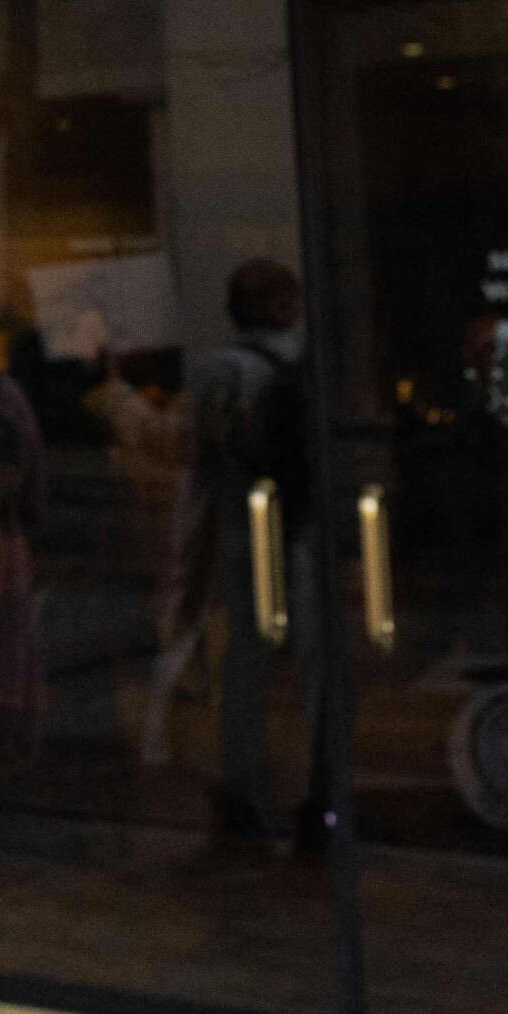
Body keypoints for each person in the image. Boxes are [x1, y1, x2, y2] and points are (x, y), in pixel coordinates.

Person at [183, 258, 326, 840]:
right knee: (315, 668)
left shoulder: (214, 371)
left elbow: (202, 458)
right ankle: (317, 788)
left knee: (246, 664)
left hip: (244, 532)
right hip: (303, 536)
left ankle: (246, 786)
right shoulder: (311, 363)